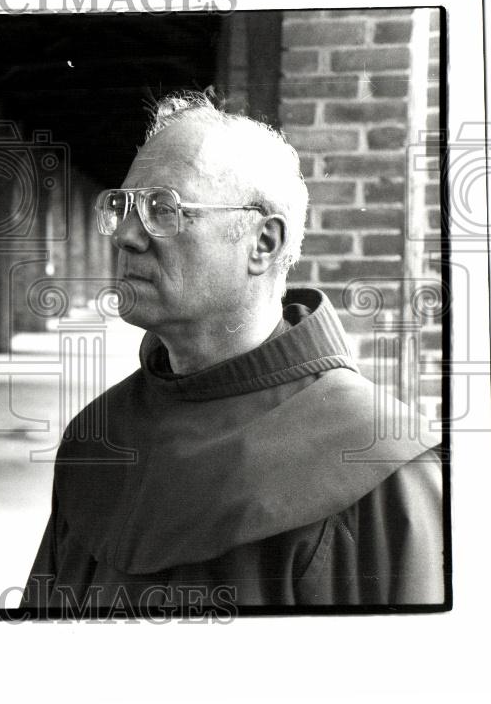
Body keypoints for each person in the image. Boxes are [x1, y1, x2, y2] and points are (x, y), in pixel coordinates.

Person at [23, 91, 444, 613]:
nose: (128, 236)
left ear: (263, 243)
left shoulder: (376, 461)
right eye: (122, 206)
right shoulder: (99, 435)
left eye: (163, 208)